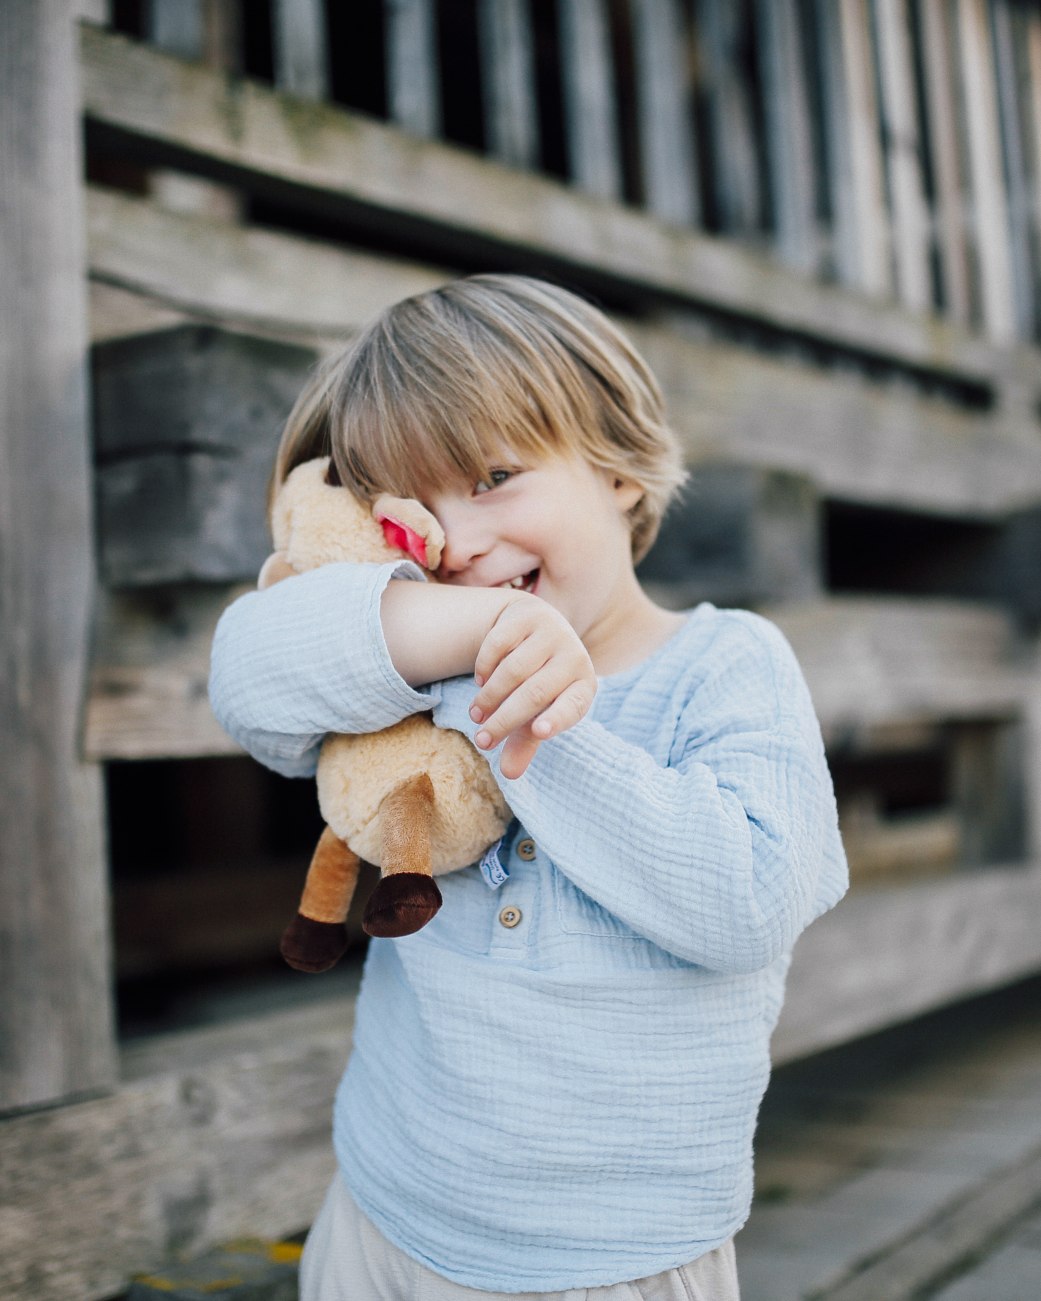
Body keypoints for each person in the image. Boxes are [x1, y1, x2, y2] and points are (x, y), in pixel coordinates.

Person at [209, 274, 848, 1299]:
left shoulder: (728, 664)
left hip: (619, 1257)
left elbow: (751, 902)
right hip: (383, 1216)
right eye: (414, 514)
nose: (456, 543)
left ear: (618, 469)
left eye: (495, 476)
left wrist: (534, 721)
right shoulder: (411, 652)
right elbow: (244, 675)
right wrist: (458, 638)